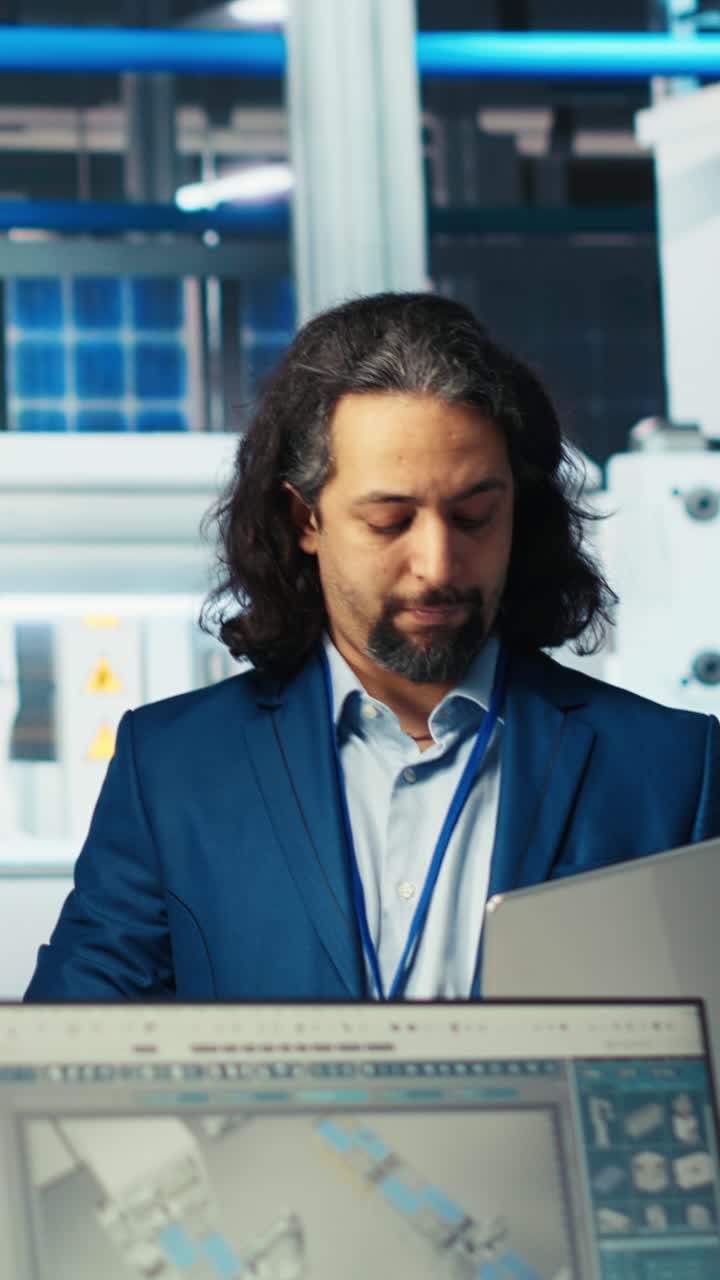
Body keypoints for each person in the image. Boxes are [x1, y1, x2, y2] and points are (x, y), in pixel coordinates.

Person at [25, 292, 720, 1002]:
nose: (440, 565)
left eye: (476, 516)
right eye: (390, 522)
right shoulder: (173, 769)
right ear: (305, 519)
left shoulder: (671, 773)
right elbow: (68, 1053)